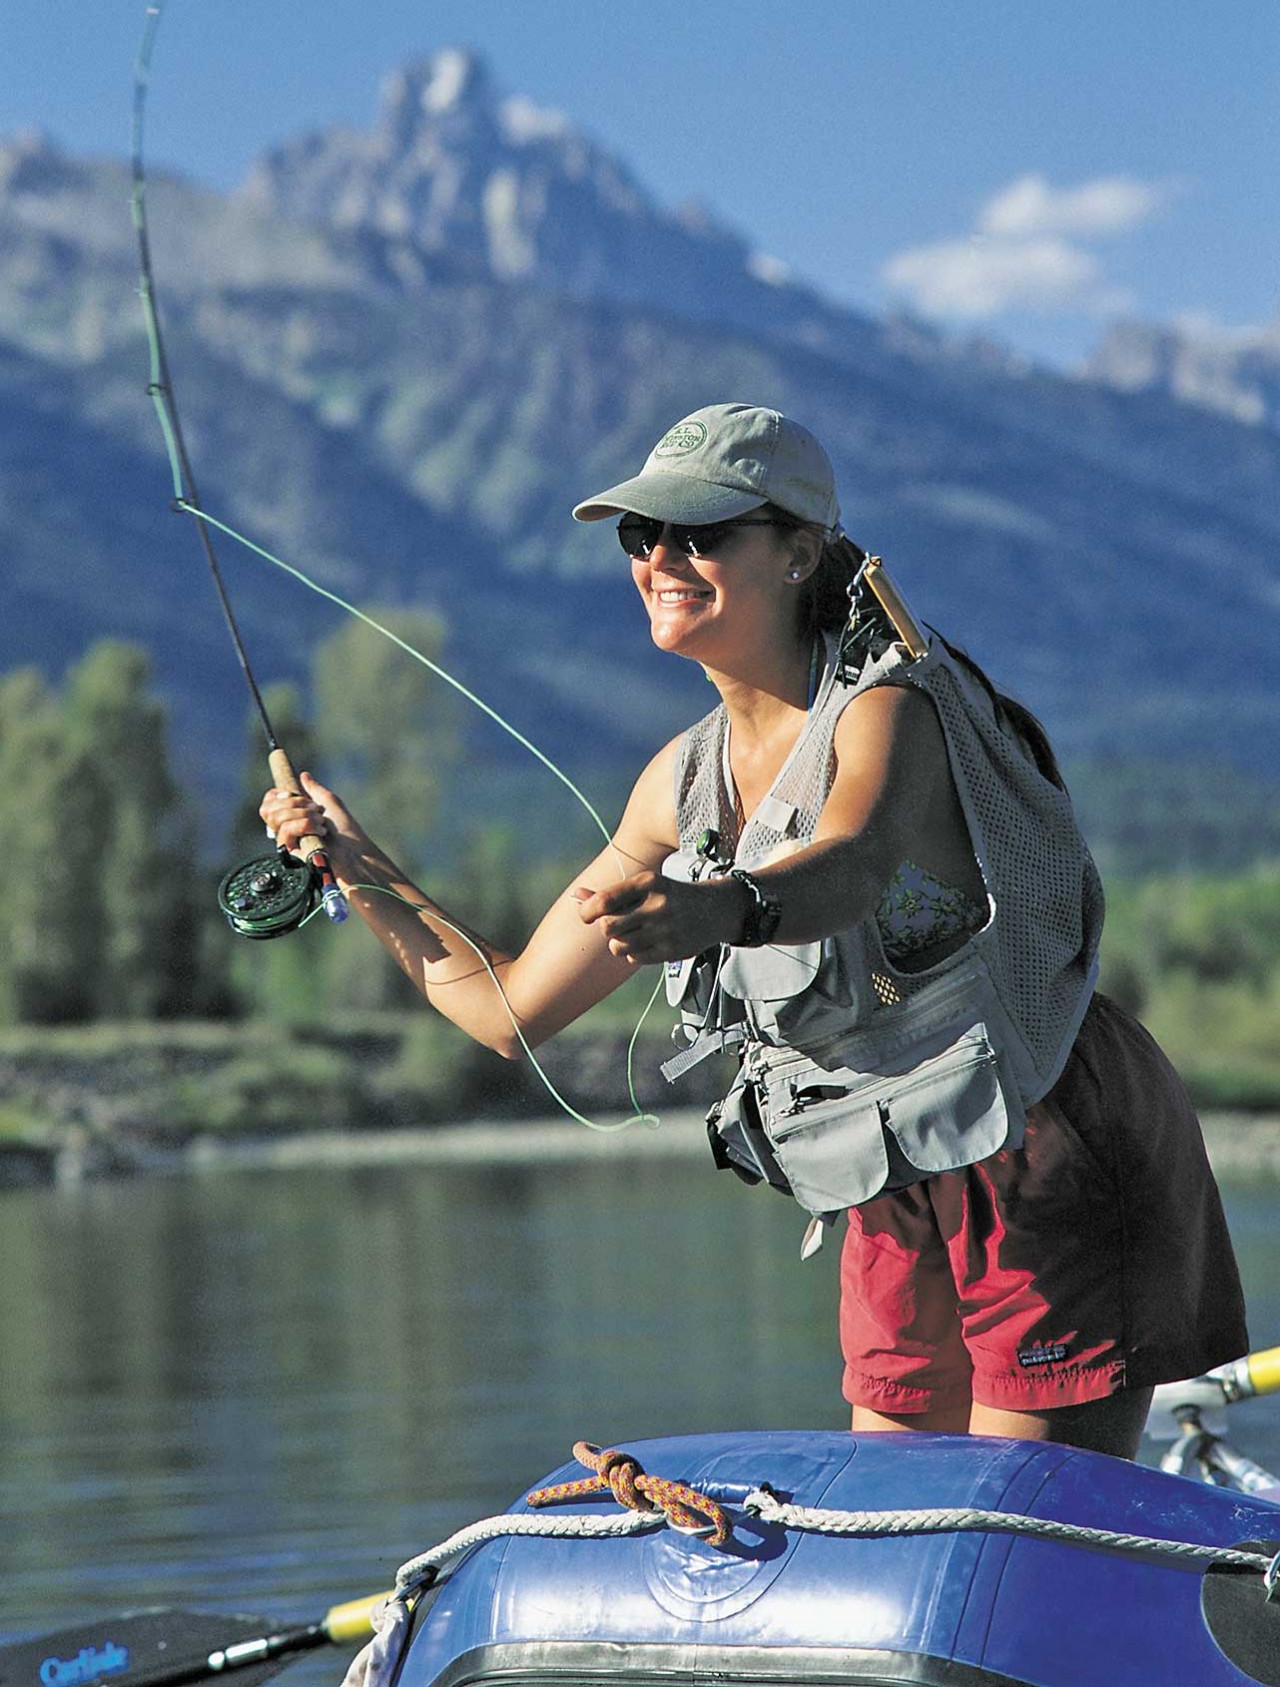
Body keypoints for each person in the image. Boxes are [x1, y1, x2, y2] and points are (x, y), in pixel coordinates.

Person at [260, 401, 1246, 1460]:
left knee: (1023, 1530)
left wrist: (719, 908)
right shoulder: (673, 786)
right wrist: (358, 871)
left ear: (797, 552)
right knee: (895, 1508)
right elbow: (508, 1009)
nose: (661, 559)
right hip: (888, 1162)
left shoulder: (888, 705)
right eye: (643, 536)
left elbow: (852, 864)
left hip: (1037, 1122)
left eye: (702, 532)